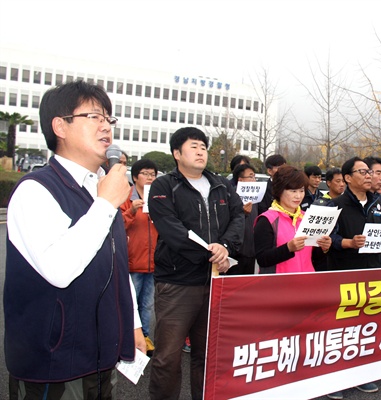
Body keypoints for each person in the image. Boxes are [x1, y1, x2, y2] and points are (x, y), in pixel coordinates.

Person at [4, 80, 144, 399]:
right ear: (60, 126)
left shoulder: (100, 189)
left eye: (109, 118)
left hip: (101, 357)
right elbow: (58, 268)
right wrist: (105, 204)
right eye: (94, 116)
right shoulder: (35, 189)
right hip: (53, 364)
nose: (106, 126)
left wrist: (132, 324)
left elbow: (117, 266)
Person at [148, 126, 244, 400]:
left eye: (203, 146)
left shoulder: (222, 184)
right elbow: (171, 229)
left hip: (215, 281)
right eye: (194, 146)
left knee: (207, 354)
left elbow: (238, 217)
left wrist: (225, 247)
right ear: (177, 153)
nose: (201, 151)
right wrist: (212, 254)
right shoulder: (164, 185)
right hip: (177, 283)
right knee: (168, 356)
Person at [326, 157, 381, 400]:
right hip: (344, 274)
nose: (369, 175)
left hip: (373, 272)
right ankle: (334, 379)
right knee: (340, 329)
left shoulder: (380, 204)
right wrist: (348, 242)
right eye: (362, 172)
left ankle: (360, 374)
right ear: (347, 178)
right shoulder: (334, 205)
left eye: (370, 172)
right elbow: (326, 240)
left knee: (366, 326)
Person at [254, 165, 331, 273]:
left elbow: (314, 258)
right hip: (278, 285)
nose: (298, 196)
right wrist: (288, 248)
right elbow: (262, 259)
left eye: (301, 191)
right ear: (279, 191)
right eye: (293, 191)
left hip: (306, 282)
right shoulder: (267, 220)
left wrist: (324, 248)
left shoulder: (307, 218)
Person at [120, 159, 160, 355]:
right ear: (135, 176)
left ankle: (144, 338)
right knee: (130, 303)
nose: (150, 177)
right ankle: (126, 339)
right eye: (145, 173)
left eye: (153, 174)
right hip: (133, 261)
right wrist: (132, 211)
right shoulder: (126, 196)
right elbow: (116, 225)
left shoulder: (158, 198)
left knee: (147, 305)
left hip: (152, 262)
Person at [229, 163, 259, 275]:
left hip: (251, 251)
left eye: (254, 177)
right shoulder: (231, 197)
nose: (254, 180)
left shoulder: (255, 198)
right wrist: (242, 213)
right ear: (240, 180)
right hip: (236, 253)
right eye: (251, 176)